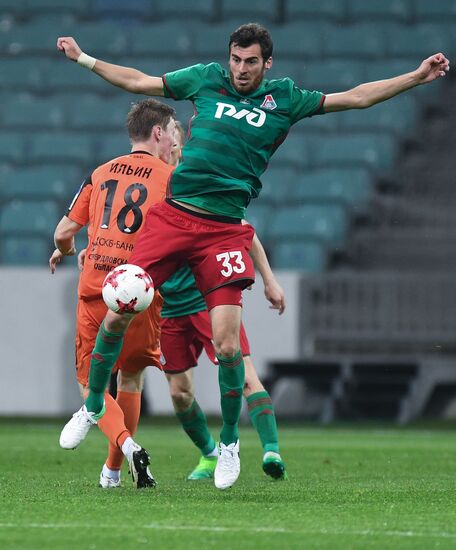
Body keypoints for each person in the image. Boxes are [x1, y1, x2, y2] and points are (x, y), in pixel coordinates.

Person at [56, 23, 449, 490]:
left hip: (224, 230)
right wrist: (85, 59)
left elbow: (357, 97)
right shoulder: (204, 79)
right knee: (119, 305)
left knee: (227, 348)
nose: (241, 70)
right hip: (174, 217)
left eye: (251, 62)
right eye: (236, 60)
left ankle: (228, 445)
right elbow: (140, 82)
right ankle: (93, 406)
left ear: (267, 63)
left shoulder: (285, 99)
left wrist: (415, 77)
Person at [50, 98, 177, 488]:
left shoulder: (101, 172)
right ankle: (113, 472)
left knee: (91, 384)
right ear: (158, 133)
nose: (174, 141)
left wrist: (69, 251)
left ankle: (126, 444)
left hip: (98, 288)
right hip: (143, 290)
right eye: (172, 132)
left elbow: (62, 234)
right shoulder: (172, 177)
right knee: (132, 379)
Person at [163, 123, 287, 481]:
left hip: (209, 300)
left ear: (179, 141)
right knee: (179, 394)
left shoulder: (198, 178)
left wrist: (269, 279)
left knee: (245, 374)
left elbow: (241, 229)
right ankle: (209, 454)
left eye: (173, 129)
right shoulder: (152, 182)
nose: (168, 135)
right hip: (169, 306)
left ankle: (271, 450)